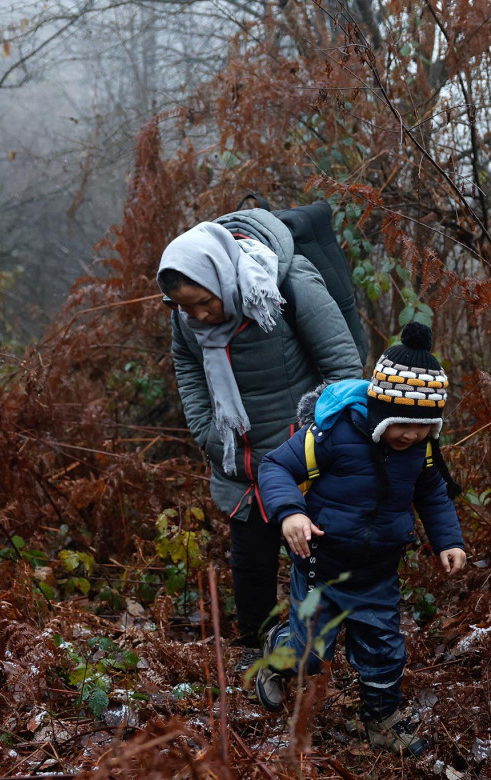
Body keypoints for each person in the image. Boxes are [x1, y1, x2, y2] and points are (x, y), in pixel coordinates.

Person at [157, 214, 362, 665]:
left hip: (301, 458)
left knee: (316, 561)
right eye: (183, 308)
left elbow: (344, 370)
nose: (198, 317)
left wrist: (316, 436)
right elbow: (187, 367)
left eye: (203, 303)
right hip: (240, 461)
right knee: (250, 564)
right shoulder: (186, 316)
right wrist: (206, 432)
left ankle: (323, 655)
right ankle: (260, 654)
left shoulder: (286, 284)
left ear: (223, 276)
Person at [254, 322, 466, 757]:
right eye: (402, 424)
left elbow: (433, 495)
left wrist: (449, 540)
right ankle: (279, 651)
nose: (412, 435)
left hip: (377, 574)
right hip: (320, 566)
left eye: (424, 427)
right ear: (381, 411)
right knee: (307, 655)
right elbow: (274, 467)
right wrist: (291, 513)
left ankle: (381, 721)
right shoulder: (335, 434)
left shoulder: (422, 451)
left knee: (385, 654)